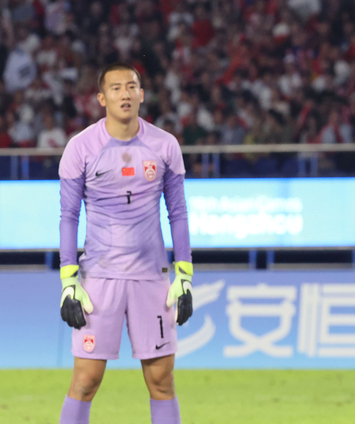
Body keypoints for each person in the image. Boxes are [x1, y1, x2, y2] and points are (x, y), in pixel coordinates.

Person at [58, 62, 193, 424]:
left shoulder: (165, 145)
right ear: (101, 98)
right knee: (86, 380)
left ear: (142, 94)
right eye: (116, 88)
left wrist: (184, 274)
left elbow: (178, 212)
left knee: (162, 380)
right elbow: (68, 216)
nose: (125, 94)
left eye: (131, 86)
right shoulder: (81, 148)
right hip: (100, 278)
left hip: (151, 278)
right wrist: (68, 280)